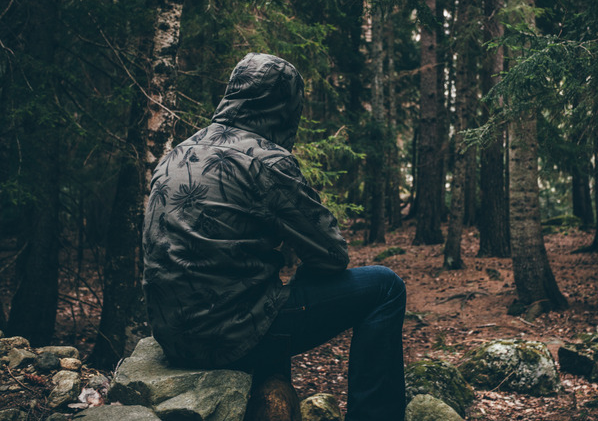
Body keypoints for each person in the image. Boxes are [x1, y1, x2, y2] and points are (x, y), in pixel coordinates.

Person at [142, 53, 406, 420]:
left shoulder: (176, 154)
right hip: (234, 339)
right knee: (385, 286)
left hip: (173, 337)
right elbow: (331, 255)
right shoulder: (266, 160)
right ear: (286, 104)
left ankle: (271, 392)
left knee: (266, 288)